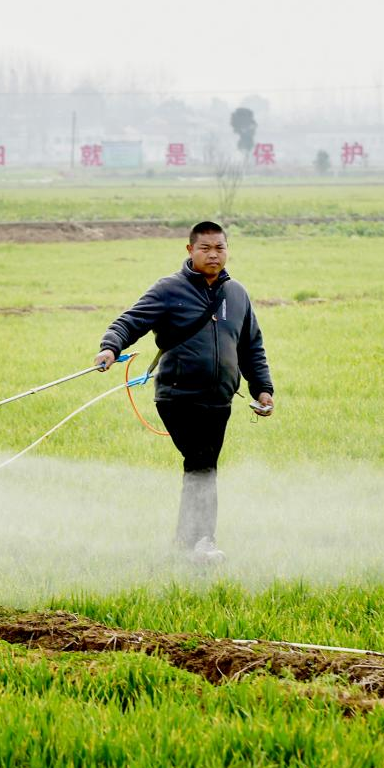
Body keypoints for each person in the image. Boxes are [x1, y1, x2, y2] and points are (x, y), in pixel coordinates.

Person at [95, 220, 274, 564]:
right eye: (205, 248)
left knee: (201, 466)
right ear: (190, 250)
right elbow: (130, 321)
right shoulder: (169, 290)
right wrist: (110, 347)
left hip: (219, 399)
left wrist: (263, 389)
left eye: (219, 247)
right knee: (202, 463)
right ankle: (203, 542)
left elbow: (251, 346)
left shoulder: (236, 294)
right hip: (178, 398)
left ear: (227, 250)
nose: (213, 254)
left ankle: (185, 543)